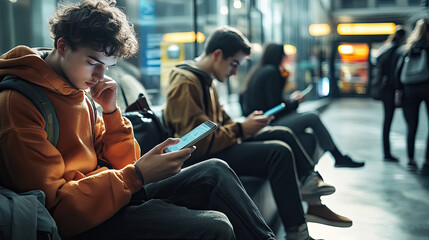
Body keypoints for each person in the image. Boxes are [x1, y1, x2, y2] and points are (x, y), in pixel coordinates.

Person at [0, 1, 277, 239]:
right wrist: (137, 175)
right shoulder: (19, 103)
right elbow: (56, 209)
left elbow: (121, 164)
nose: (99, 76)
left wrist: (111, 114)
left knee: (215, 170)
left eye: (106, 67)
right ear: (62, 46)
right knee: (215, 226)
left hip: (111, 194)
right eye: (92, 62)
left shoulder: (79, 90)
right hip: (81, 221)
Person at [164, 26, 352, 240]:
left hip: (216, 147)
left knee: (281, 133)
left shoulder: (206, 81)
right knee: (278, 152)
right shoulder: (187, 83)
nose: (235, 72)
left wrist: (248, 125)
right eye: (234, 64)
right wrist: (242, 129)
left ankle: (313, 198)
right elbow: (196, 142)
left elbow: (222, 123)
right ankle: (299, 229)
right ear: (217, 55)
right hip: (201, 158)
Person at [241, 43, 364, 168]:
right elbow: (276, 107)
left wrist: (289, 96)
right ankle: (337, 157)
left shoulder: (259, 71)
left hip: (263, 121)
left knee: (308, 136)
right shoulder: (272, 72)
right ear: (279, 56)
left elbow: (272, 102)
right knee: (312, 117)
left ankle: (315, 168)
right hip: (268, 123)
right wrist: (295, 102)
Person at [395, 19, 429, 175]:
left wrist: (399, 90)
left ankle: (411, 159)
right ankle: (427, 159)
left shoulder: (408, 47)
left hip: (409, 89)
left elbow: (398, 71)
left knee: (412, 126)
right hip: (427, 87)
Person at [373, 28, 406, 162]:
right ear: (401, 37)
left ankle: (386, 152)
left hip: (384, 89)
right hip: (391, 89)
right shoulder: (397, 49)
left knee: (387, 121)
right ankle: (387, 153)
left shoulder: (386, 48)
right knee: (388, 121)